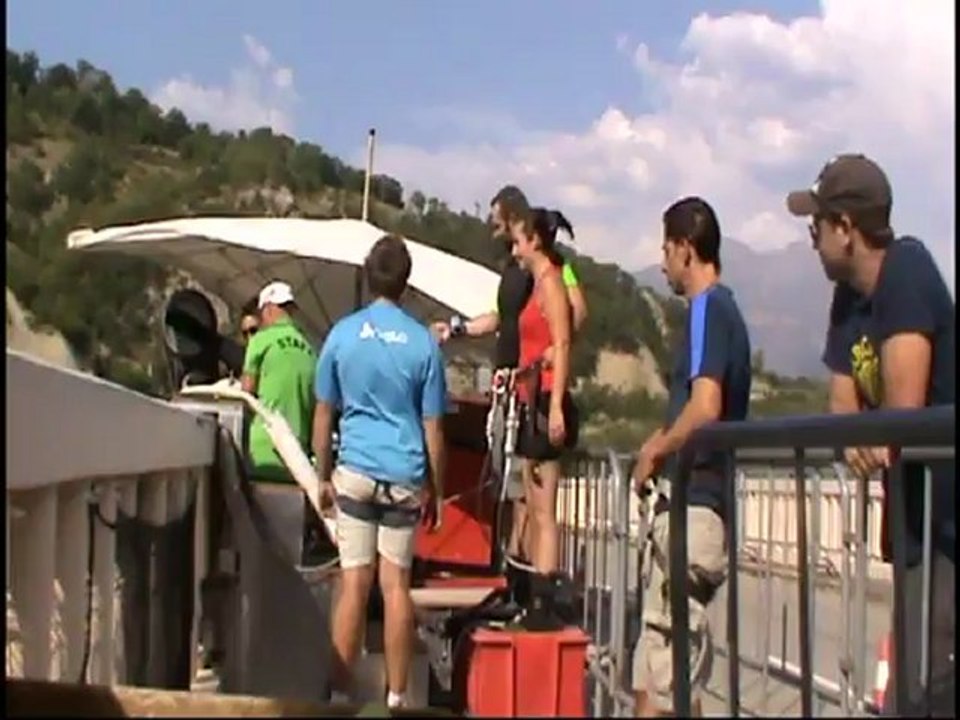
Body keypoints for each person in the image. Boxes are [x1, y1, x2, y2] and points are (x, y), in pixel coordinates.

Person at [786, 153, 955, 717]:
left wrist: (873, 433)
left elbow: (901, 415)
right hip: (915, 522)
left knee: (927, 684)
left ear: (845, 228)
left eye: (816, 225)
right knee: (914, 677)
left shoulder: (907, 270)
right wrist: (862, 435)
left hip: (947, 524)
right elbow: (843, 407)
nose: (812, 239)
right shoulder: (848, 297)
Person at [312, 234, 447, 710]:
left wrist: (321, 475)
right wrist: (438, 490)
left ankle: (338, 695)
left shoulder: (342, 335)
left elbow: (323, 412)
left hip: (354, 470)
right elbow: (434, 428)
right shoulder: (423, 344)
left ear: (369, 278)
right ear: (406, 283)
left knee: (354, 582)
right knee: (396, 587)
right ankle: (396, 696)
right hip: (404, 475)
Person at [630, 197, 751, 717]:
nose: (662, 263)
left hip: (693, 505)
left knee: (666, 679)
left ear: (685, 248)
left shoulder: (707, 308)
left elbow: (705, 406)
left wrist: (656, 450)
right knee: (660, 680)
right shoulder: (722, 311)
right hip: (697, 507)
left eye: (665, 249)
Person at [431, 185, 587, 568]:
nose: (494, 229)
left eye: (498, 221)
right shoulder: (516, 271)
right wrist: (458, 328)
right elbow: (501, 317)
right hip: (517, 388)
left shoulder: (552, 270)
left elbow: (575, 315)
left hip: (538, 391)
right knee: (520, 492)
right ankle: (520, 569)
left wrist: (553, 352)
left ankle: (537, 580)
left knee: (537, 502)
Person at [502, 204, 579, 586]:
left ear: (534, 241)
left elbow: (562, 343)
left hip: (546, 399)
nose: (515, 251)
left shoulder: (551, 283)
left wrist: (557, 406)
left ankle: (545, 592)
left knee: (544, 511)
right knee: (532, 504)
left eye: (518, 242)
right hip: (531, 395)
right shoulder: (538, 285)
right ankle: (533, 586)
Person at [240, 281, 316, 485]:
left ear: (267, 309)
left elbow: (245, 395)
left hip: (261, 455)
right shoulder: (310, 350)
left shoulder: (261, 340)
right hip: (297, 461)